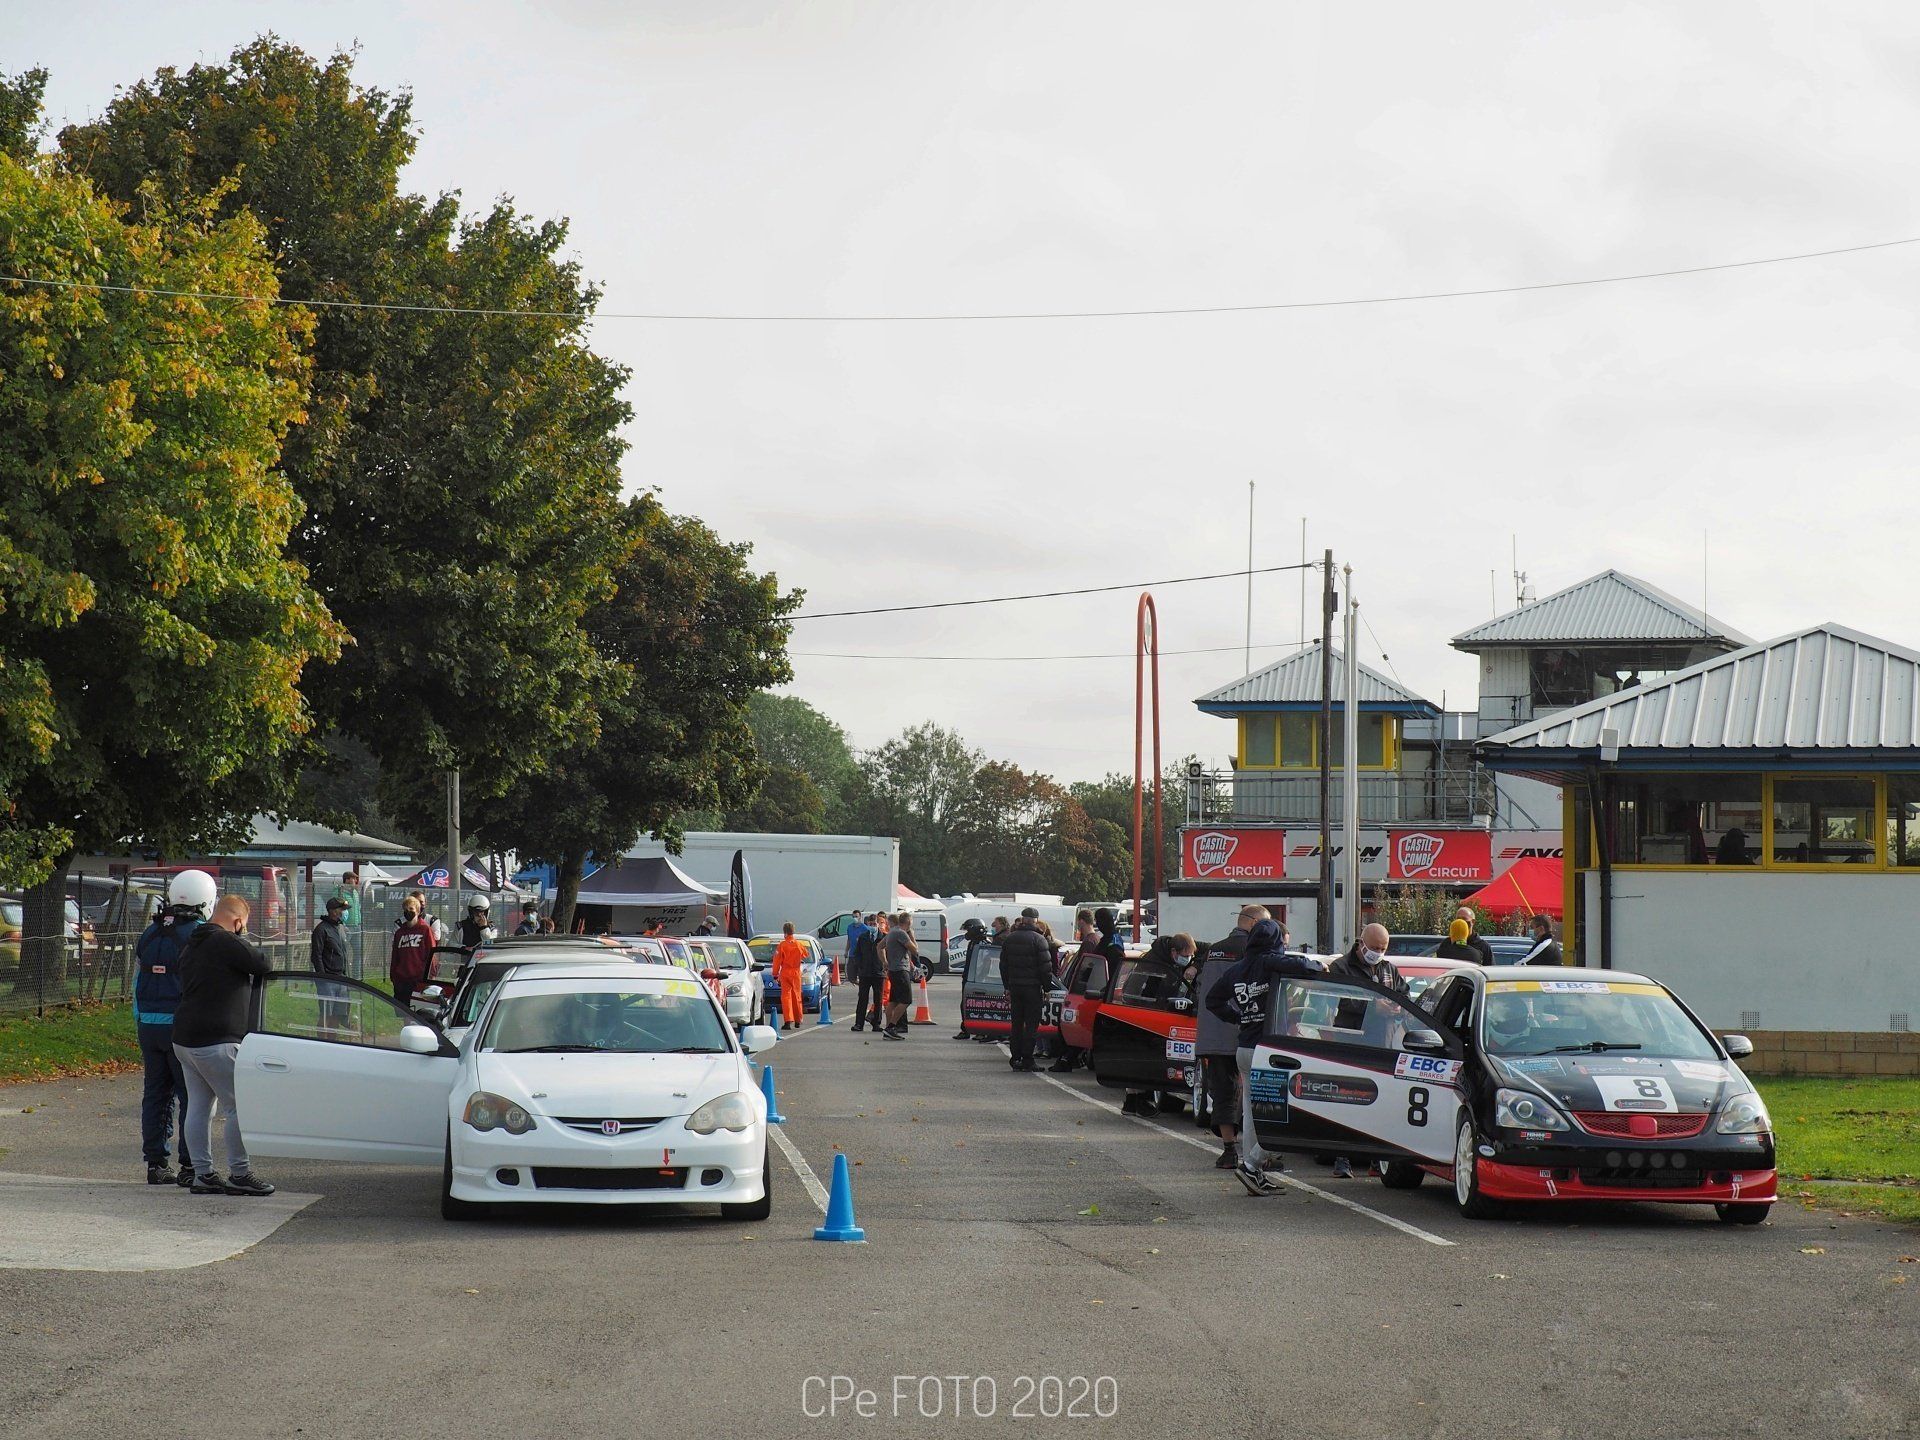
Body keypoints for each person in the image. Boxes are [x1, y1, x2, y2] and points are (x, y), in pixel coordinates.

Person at [1207, 918, 1322, 1196]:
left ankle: (1252, 1172)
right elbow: (1306, 966)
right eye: (1282, 942)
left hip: (1244, 1048)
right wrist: (1320, 965)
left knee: (1250, 1113)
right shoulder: (1270, 962)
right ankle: (1252, 1165)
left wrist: (1238, 1017)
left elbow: (1213, 1000)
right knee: (1280, 1116)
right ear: (1274, 942)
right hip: (1267, 1052)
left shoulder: (1237, 969)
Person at [171, 894, 275, 1196]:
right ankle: (240, 1174)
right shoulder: (225, 941)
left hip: (185, 1039)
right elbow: (262, 964)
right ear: (238, 921)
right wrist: (241, 937)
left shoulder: (193, 943)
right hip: (216, 1040)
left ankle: (202, 1174)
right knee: (238, 1107)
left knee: (199, 1107)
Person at [132, 869, 215, 1185]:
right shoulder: (198, 934)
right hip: (181, 1028)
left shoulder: (150, 932)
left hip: (148, 1026)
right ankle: (190, 1165)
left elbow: (137, 979)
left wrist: (140, 1018)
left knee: (155, 1094)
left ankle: (155, 1163)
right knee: (191, 1097)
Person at [1193, 904, 1266, 1169]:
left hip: (1214, 1035)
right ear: (1255, 923)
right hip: (1247, 1032)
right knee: (1256, 1094)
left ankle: (1228, 1150)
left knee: (1223, 1093)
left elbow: (1202, 989)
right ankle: (1257, 1154)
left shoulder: (1214, 949)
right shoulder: (1254, 951)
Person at [1117, 932, 1196, 1115]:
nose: (1188, 959)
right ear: (1174, 951)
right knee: (1144, 1061)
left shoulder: (1160, 957)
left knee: (1140, 1061)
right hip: (1144, 1015)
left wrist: (1195, 965)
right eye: (1185, 956)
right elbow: (1152, 995)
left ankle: (1132, 1102)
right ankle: (1140, 1101)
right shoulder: (1156, 966)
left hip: (1141, 1013)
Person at [997, 915, 1053, 1070]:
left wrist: (1007, 986)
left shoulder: (1010, 938)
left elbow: (1003, 965)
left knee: (1016, 1025)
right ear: (1035, 920)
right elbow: (1046, 968)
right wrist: (1047, 988)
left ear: (1022, 920)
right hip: (1032, 988)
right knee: (1031, 1026)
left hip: (1015, 987)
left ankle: (1015, 1058)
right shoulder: (1039, 940)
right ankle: (1028, 1059)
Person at [389, 895, 436, 1012]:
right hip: (401, 980)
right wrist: (394, 977)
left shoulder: (425, 930)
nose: (408, 912)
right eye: (406, 909)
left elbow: (432, 954)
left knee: (418, 1013)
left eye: (411, 909)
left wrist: (429, 976)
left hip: (418, 980)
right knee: (404, 1014)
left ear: (418, 910)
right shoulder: (399, 933)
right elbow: (395, 956)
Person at [882, 911, 919, 1039]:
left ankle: (888, 1029)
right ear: (908, 922)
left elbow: (879, 946)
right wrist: (912, 936)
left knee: (893, 1001)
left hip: (893, 970)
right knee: (906, 1000)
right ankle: (891, 1026)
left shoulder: (892, 932)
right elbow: (915, 950)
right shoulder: (901, 933)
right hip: (900, 970)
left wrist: (885, 962)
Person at [951, 919, 988, 1039]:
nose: (967, 933)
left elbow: (983, 965)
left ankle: (981, 1031)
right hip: (968, 978)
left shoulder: (983, 944)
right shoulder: (972, 943)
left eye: (968, 929)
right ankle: (966, 1029)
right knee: (965, 1005)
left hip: (978, 980)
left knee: (979, 1005)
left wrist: (979, 977)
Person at [850, 918, 886, 1032]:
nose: (872, 926)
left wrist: (884, 966)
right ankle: (859, 1024)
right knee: (862, 999)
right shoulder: (863, 937)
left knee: (878, 999)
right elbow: (857, 954)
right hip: (865, 973)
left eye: (874, 923)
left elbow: (888, 952)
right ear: (867, 924)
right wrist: (859, 966)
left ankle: (876, 1024)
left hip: (878, 973)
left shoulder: (883, 937)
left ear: (878, 924)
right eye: (870, 924)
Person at [773, 923, 807, 1031]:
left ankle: (788, 1021)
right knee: (797, 996)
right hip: (796, 972)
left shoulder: (782, 945)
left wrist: (775, 974)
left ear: (785, 932)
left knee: (786, 997)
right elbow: (805, 954)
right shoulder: (798, 944)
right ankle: (798, 1020)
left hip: (786, 972)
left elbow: (777, 961)